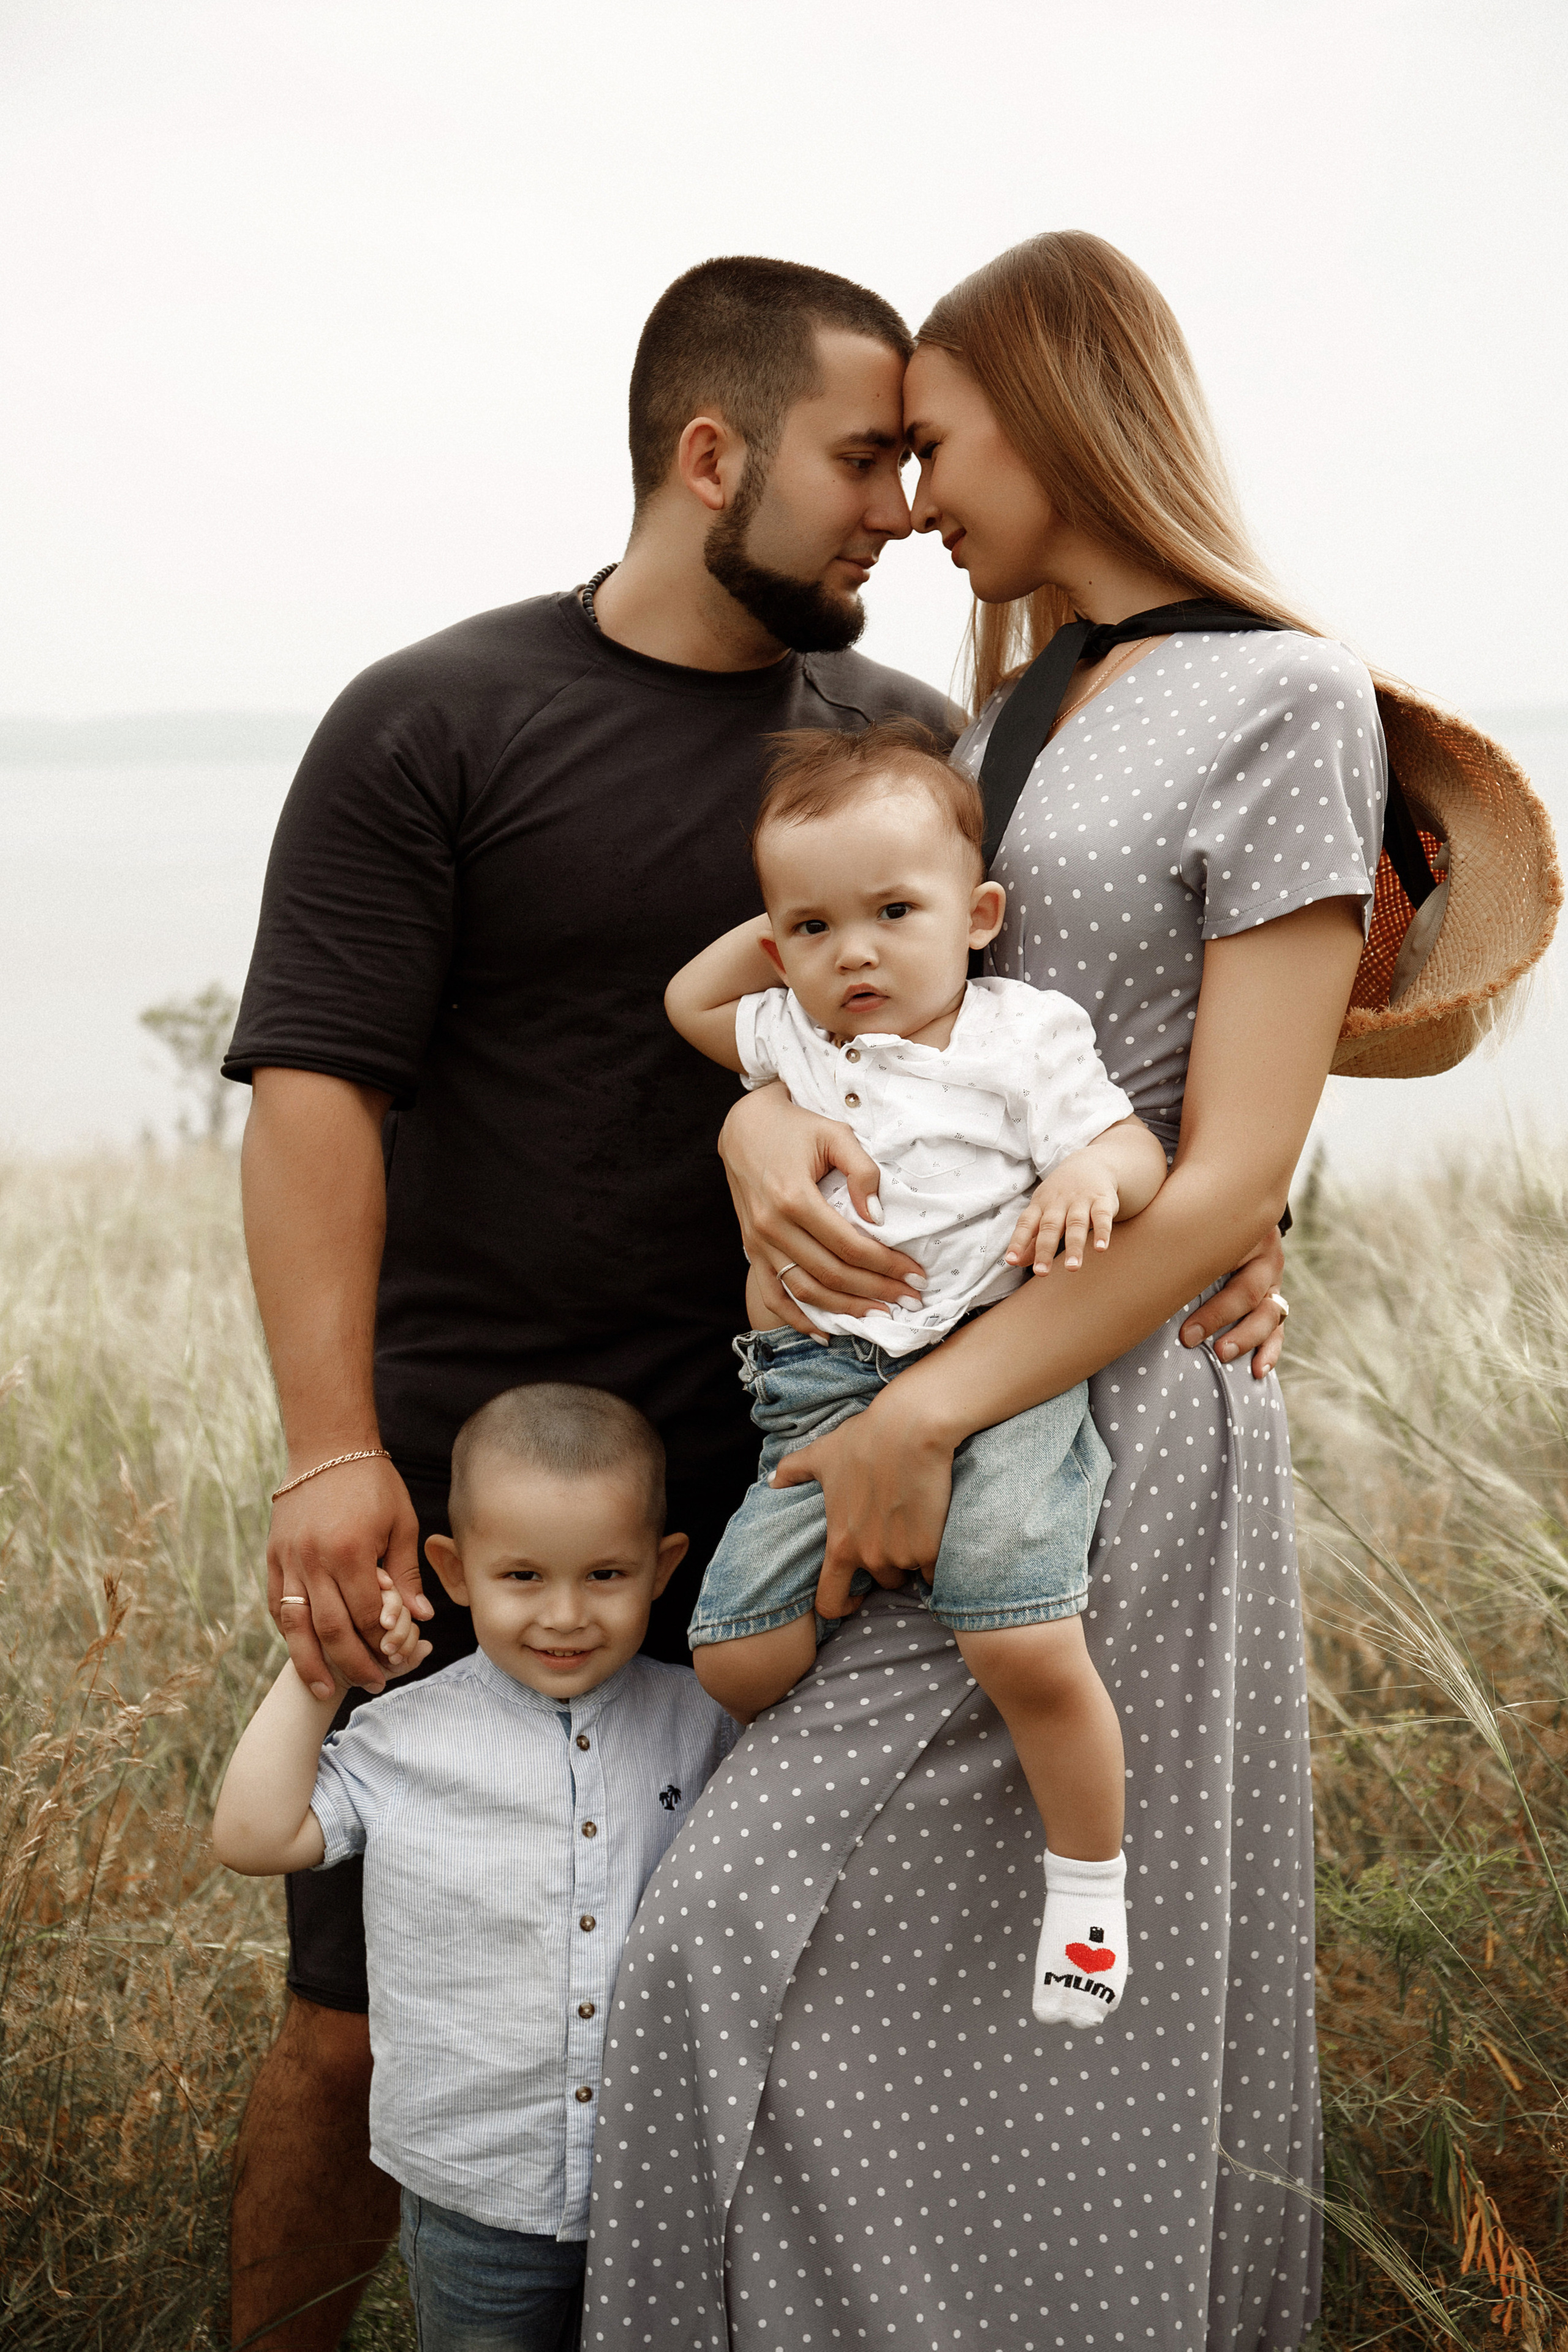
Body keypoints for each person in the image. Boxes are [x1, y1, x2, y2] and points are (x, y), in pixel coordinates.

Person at [223, 247, 1287, 2349]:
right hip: (500, 1492)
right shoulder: (436, 717)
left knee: (772, 2019)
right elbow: (313, 1100)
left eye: (919, 453)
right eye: (861, 455)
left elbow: (1061, 1026)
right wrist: (336, 1450)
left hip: (820, 1466)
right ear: (711, 458)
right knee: (369, 2032)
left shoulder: (900, 740)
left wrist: (1212, 1215)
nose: (901, 501)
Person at [585, 230, 1371, 2352]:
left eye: (938, 440)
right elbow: (873, 1013)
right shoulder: (1004, 709)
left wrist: (924, 1416)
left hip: (1111, 1423)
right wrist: (752, 1130)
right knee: (765, 1972)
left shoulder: (1289, 698)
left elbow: (1228, 1174)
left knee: (936, 1976)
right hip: (915, 1377)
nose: (914, 493)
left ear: (1064, 402)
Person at [667, 719, 1172, 2026]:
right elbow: (686, 1000)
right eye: (815, 927)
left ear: (978, 914)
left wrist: (1081, 1177)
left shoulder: (1019, 1033)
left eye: (895, 912)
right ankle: (886, 1570)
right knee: (730, 1658)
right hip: (820, 1383)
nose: (858, 953)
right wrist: (784, 939)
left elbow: (1136, 1161)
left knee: (1021, 1636)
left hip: (990, 1374)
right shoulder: (791, 1031)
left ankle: (1086, 1890)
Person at [215, 1383, 737, 2352]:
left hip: (658, 2191)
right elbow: (253, 1836)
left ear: (665, 1569)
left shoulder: (704, 1722)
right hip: (473, 2194)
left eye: (608, 1575)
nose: (567, 1615)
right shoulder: (406, 1734)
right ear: (454, 1572)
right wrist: (327, 1673)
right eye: (525, 1576)